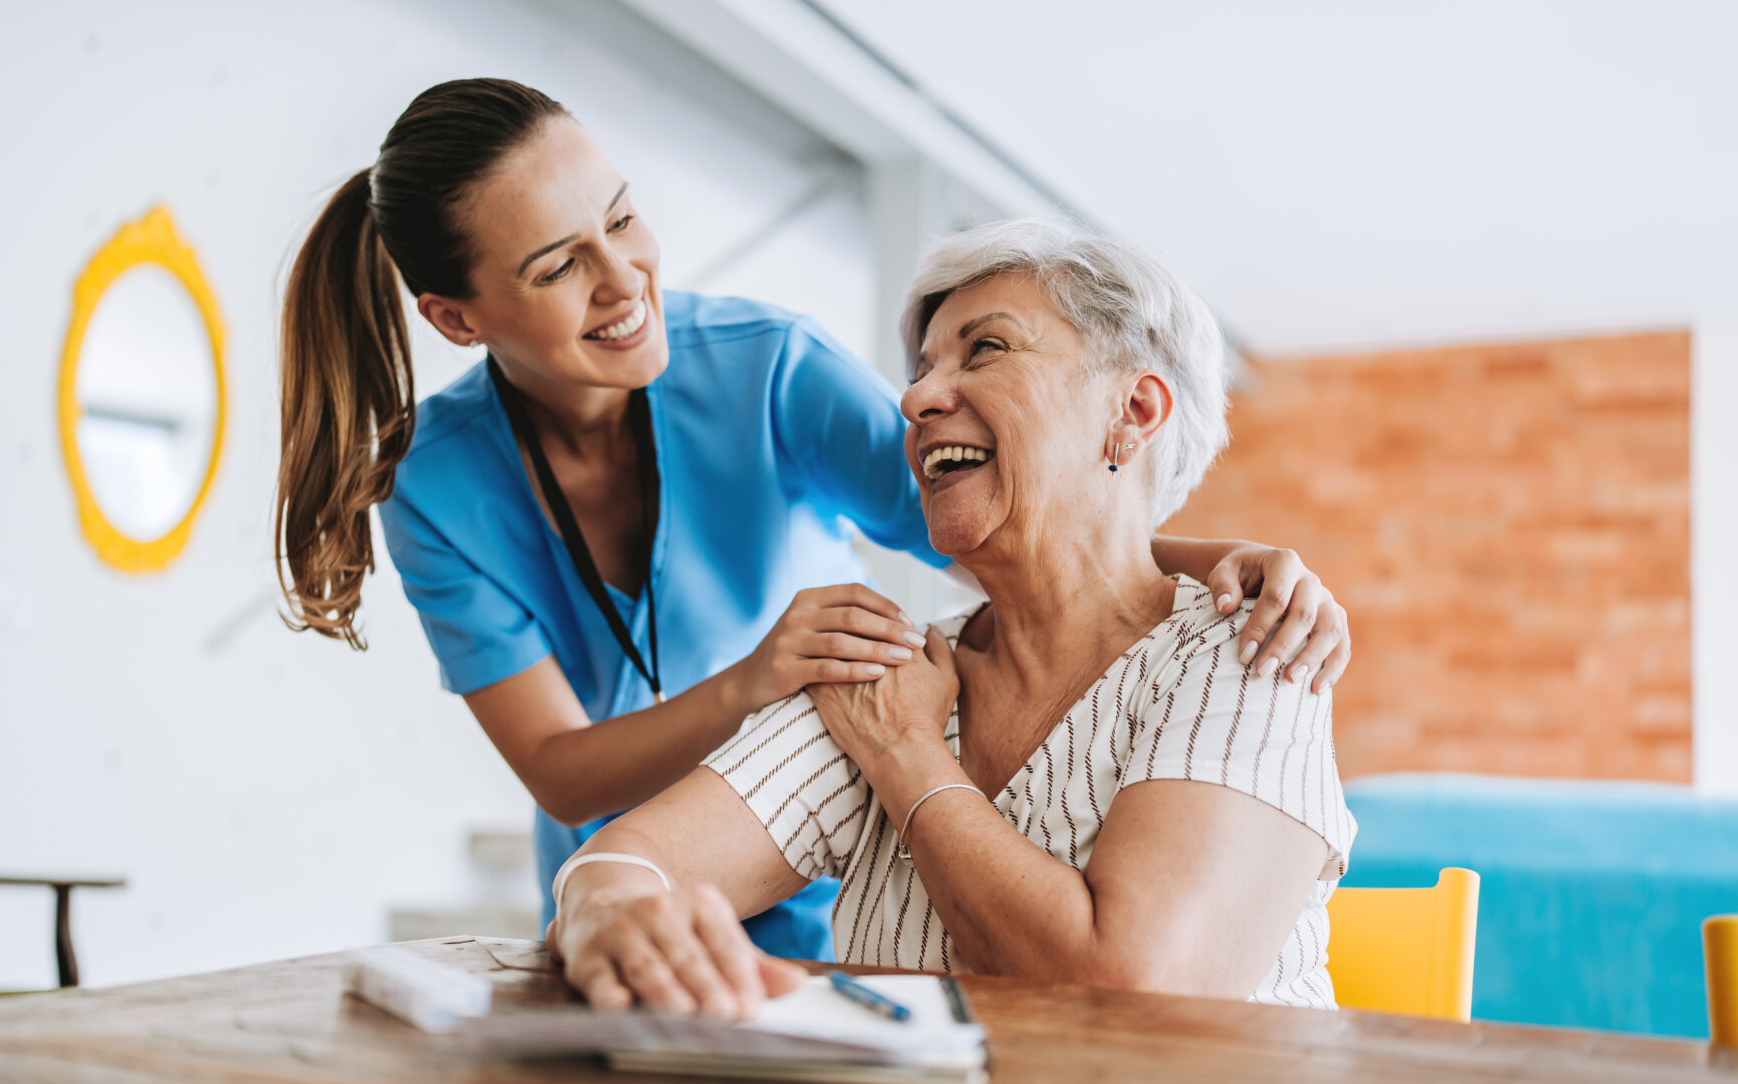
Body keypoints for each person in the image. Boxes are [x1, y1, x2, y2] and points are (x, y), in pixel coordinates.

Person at [275, 80, 1352, 960]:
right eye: (558, 266)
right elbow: (566, 775)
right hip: (678, 869)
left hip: (818, 859)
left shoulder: (767, 371)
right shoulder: (437, 485)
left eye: (621, 218)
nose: (624, 278)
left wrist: (1222, 563)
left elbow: (1008, 522)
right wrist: (739, 709)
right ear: (457, 318)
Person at [548, 220, 1357, 1015]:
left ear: (1134, 412)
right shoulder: (889, 670)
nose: (915, 398)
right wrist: (606, 911)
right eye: (924, 368)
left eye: (987, 349)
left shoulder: (1251, 649)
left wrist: (907, 755)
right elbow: (626, 858)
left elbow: (1137, 992)